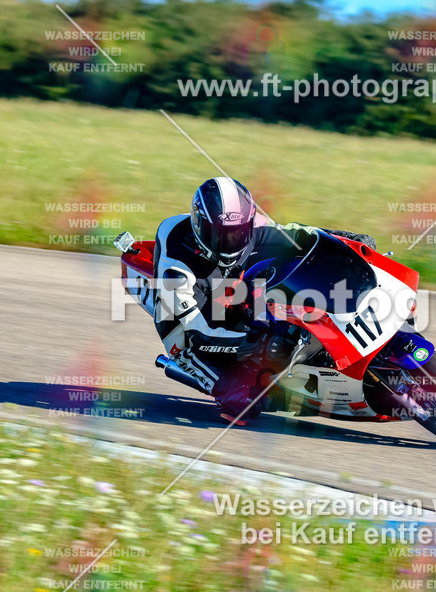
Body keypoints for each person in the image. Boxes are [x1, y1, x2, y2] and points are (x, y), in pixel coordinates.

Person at [153, 177, 375, 424]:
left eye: (238, 233)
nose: (231, 243)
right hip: (190, 323)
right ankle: (221, 383)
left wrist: (346, 240)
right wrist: (251, 342)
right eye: (220, 235)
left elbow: (300, 235)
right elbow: (199, 332)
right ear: (199, 225)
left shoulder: (253, 227)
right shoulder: (175, 267)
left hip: (232, 287)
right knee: (243, 404)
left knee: (283, 280)